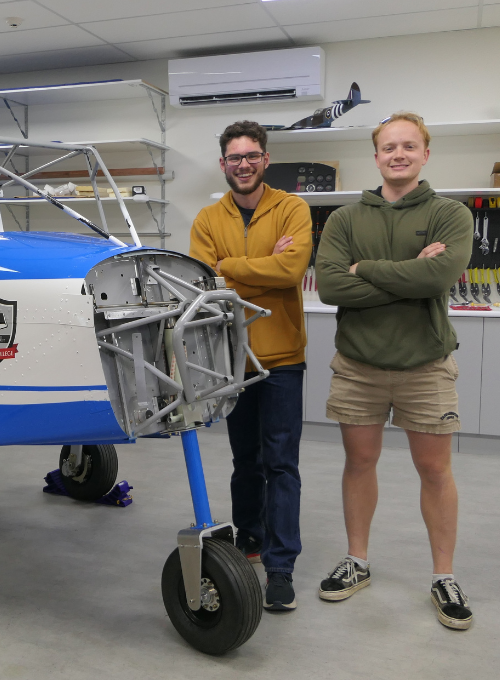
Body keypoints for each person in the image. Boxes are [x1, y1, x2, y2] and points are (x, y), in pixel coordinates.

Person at [314, 112, 475, 629]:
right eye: (389, 147)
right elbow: (332, 287)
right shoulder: (344, 219)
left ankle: (443, 576)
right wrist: (412, 273)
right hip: (358, 364)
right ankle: (356, 561)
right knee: (359, 463)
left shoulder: (451, 214)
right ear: (377, 155)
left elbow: (439, 276)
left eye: (409, 145)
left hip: (425, 364)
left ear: (425, 153)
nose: (398, 154)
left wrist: (366, 269)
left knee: (434, 469)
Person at [189, 120, 312, 611]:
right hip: (231, 357)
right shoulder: (206, 218)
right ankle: (251, 541)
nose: (244, 164)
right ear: (224, 164)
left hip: (282, 358)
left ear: (265, 160)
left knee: (282, 464)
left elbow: (291, 271)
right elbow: (201, 284)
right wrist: (262, 267)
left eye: (252, 156)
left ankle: (281, 567)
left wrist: (230, 268)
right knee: (246, 462)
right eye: (234, 157)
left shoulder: (293, 209)